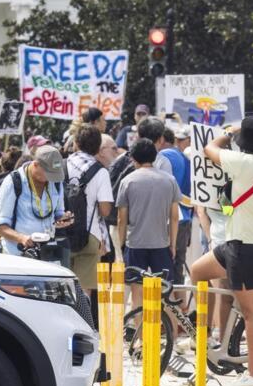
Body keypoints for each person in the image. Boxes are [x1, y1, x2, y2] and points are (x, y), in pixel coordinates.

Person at [189, 116, 253, 386]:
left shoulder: (244, 163)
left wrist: (228, 132)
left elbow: (210, 149)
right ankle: (206, 335)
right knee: (197, 270)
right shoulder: (248, 163)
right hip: (237, 244)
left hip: (243, 247)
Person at [116, 138, 180, 292]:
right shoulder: (169, 180)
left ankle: (138, 317)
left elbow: (121, 220)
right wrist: (173, 244)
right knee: (164, 291)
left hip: (135, 244)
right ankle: (163, 317)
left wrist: (121, 246)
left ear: (133, 158)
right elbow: (174, 217)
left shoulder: (127, 181)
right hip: (161, 243)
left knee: (137, 291)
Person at [0, 145, 74, 255]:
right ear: (36, 164)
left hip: (47, 252)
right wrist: (22, 238)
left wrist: (63, 219)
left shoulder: (56, 182)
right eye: (49, 174)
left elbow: (58, 213)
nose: (51, 178)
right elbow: (1, 228)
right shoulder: (13, 182)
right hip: (18, 254)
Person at [67, 125, 114, 296]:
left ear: (76, 144)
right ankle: (81, 321)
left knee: (61, 287)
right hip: (90, 236)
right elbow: (105, 210)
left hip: (60, 234)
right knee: (83, 291)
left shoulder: (61, 165)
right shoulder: (100, 171)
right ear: (97, 148)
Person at [160, 127, 192, 282]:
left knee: (165, 266)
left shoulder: (166, 155)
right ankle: (182, 305)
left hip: (172, 217)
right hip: (185, 217)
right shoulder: (186, 158)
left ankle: (169, 304)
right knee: (178, 265)